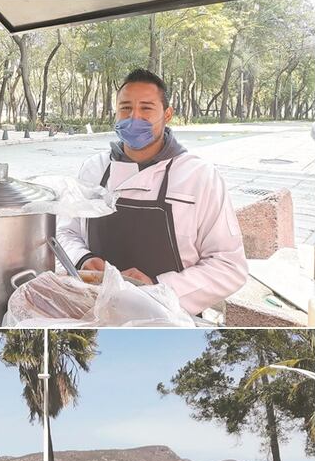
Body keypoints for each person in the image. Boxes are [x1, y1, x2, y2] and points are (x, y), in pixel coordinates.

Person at [57, 67, 247, 316]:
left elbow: (229, 265)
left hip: (167, 315)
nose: (134, 117)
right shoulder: (94, 169)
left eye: (146, 108)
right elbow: (65, 231)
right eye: (125, 108)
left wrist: (158, 288)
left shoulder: (198, 175)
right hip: (95, 308)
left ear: (167, 114)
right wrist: (84, 260)